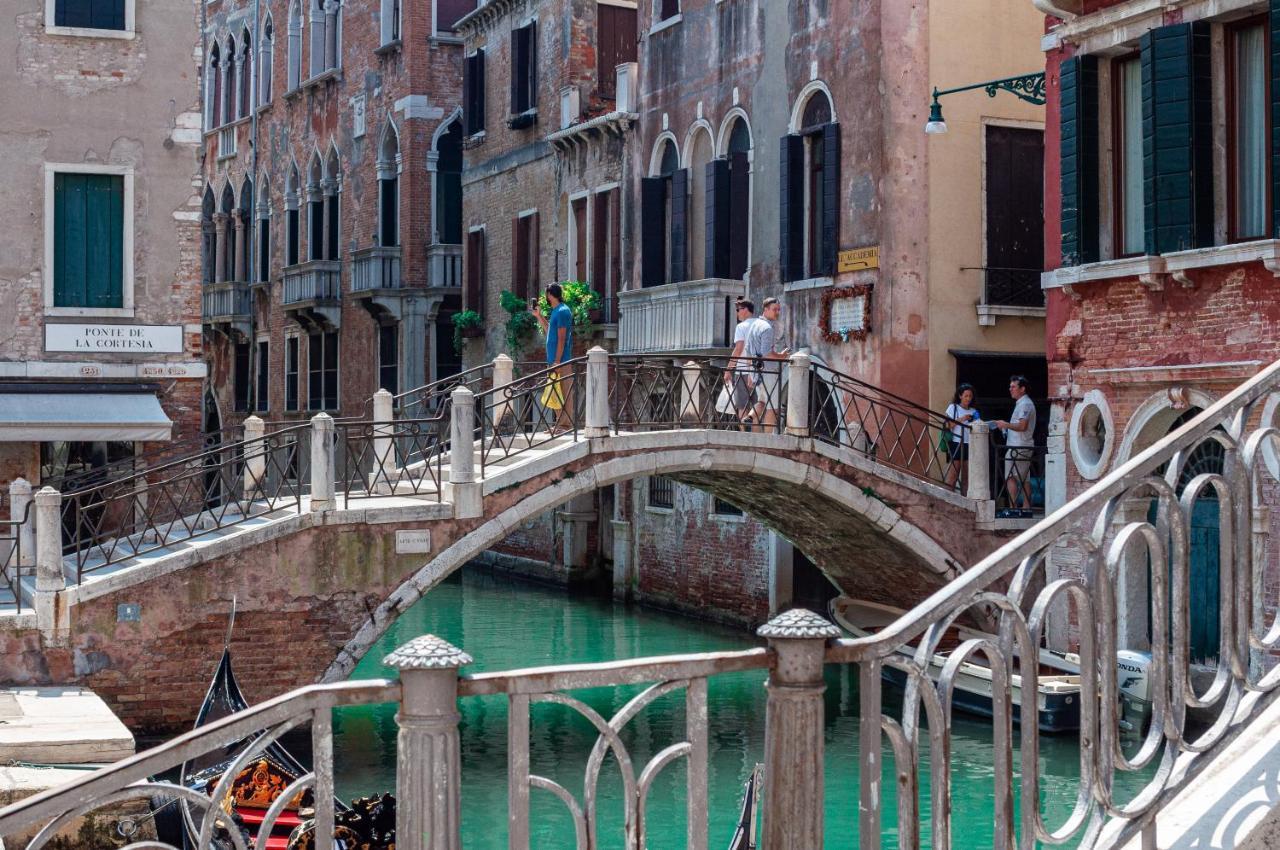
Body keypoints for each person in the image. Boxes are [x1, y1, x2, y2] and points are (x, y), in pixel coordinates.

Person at [531, 283, 574, 434]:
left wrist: (557, 361)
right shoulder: (556, 311)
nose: (545, 297)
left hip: (561, 360)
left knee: (563, 390)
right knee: (555, 391)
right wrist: (539, 316)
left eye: (546, 294)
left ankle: (566, 426)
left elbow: (562, 339)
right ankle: (560, 425)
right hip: (554, 360)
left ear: (550, 294)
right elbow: (550, 330)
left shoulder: (563, 311)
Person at [993, 375, 1036, 517]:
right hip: (1014, 446)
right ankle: (1014, 508)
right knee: (1011, 477)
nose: (1010, 389)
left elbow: (1023, 426)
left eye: (1013, 387)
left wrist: (1006, 424)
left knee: (1022, 478)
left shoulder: (1026, 404)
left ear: (1022, 389)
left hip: (1021, 447)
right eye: (1010, 386)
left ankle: (1025, 508)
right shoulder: (1021, 403)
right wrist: (1005, 428)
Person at [744, 297, 790, 430]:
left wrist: (749, 373)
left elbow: (748, 349)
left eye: (778, 310)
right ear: (766, 309)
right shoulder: (767, 328)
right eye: (774, 309)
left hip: (756, 370)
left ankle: (750, 417)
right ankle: (768, 440)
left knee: (762, 402)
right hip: (768, 372)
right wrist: (781, 356)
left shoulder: (754, 325)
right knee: (773, 407)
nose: (777, 312)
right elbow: (766, 353)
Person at [723, 299, 756, 426]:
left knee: (743, 406)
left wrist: (729, 369)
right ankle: (757, 437)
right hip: (760, 371)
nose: (737, 313)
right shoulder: (761, 324)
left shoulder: (741, 327)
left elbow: (738, 348)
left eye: (738, 310)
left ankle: (745, 437)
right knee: (757, 406)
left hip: (743, 371)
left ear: (746, 310)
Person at [943, 383, 980, 490]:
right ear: (960, 396)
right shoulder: (953, 407)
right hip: (956, 443)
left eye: (970, 396)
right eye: (966, 396)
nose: (968, 398)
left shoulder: (974, 411)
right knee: (953, 475)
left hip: (970, 444)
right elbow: (947, 425)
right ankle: (948, 500)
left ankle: (965, 503)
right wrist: (962, 419)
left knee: (967, 477)